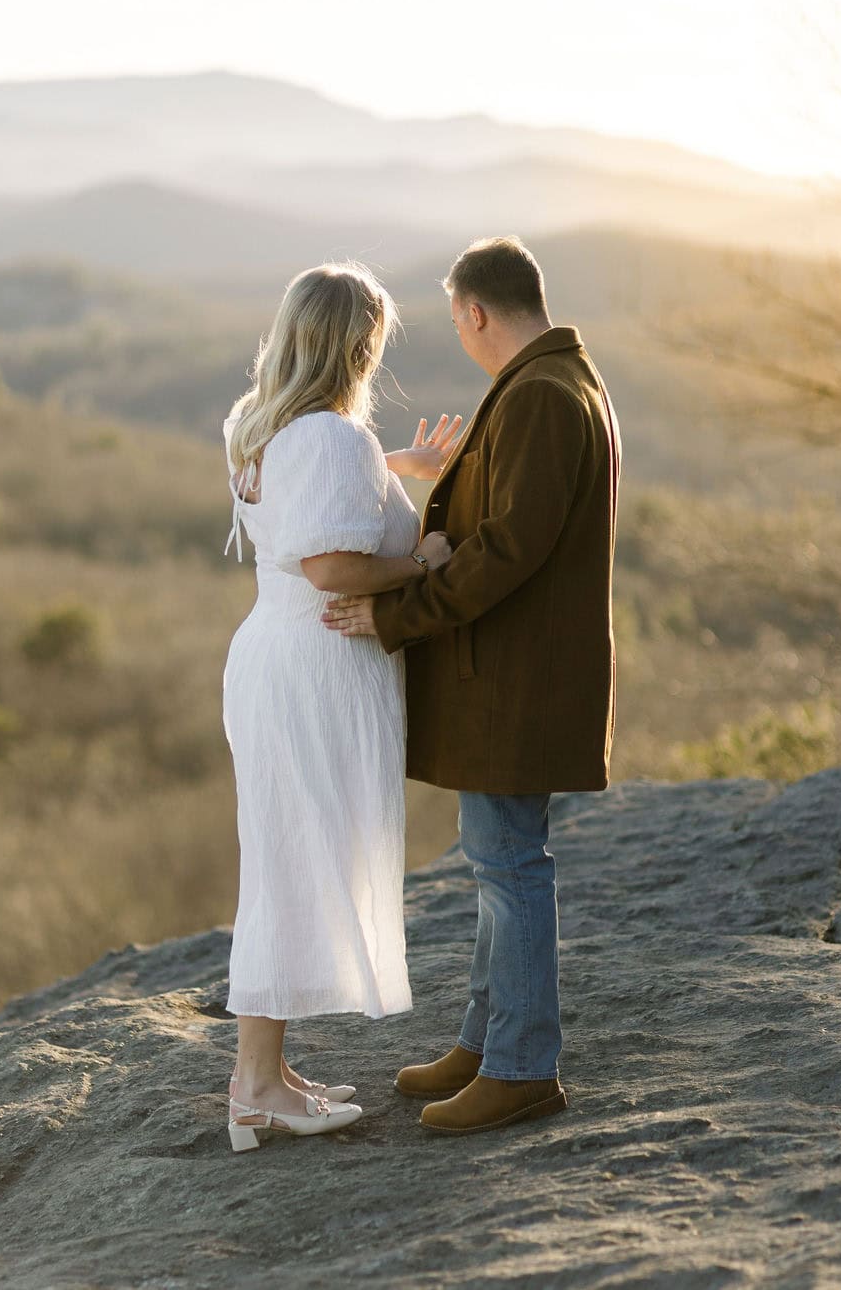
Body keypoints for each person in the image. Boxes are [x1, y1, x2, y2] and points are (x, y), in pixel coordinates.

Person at [323, 235, 621, 1136]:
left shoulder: (538, 394)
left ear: (475, 313)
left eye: (457, 322)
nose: (461, 334)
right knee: (498, 861)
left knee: (509, 866)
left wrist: (398, 612)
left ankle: (523, 1064)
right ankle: (487, 1041)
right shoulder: (562, 381)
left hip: (517, 679)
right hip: (518, 675)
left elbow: (507, 550)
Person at [220, 261, 462, 1153]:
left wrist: (398, 467)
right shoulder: (331, 438)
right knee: (292, 863)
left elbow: (297, 512)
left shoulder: (260, 423)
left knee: (285, 856)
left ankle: (269, 1074)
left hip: (274, 660)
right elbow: (330, 566)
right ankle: (254, 1085)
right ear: (360, 344)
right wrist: (423, 561)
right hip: (315, 666)